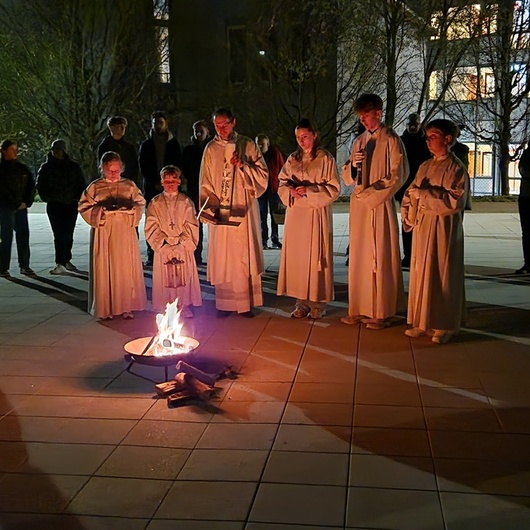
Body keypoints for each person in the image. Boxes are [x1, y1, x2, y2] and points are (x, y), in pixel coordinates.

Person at [341, 94, 409, 330]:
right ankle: (359, 307)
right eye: (360, 117)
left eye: (366, 115)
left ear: (378, 113)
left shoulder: (391, 139)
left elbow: (398, 174)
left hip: (379, 204)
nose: (363, 121)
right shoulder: (359, 140)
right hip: (359, 205)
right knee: (360, 254)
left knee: (379, 254)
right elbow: (348, 177)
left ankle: (382, 310)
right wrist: (353, 165)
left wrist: (373, 193)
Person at [401, 119, 468, 344]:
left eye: (433, 136)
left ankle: (443, 323)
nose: (428, 141)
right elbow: (412, 192)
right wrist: (409, 215)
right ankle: (423, 320)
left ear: (448, 139)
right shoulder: (425, 166)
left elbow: (454, 201)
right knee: (422, 271)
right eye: (427, 137)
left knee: (441, 272)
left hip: (443, 227)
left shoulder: (455, 167)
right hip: (424, 224)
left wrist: (426, 194)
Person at [199, 107, 268, 317]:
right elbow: (205, 182)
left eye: (225, 124)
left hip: (244, 208)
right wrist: (211, 208)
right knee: (225, 256)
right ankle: (225, 303)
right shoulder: (210, 149)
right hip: (221, 210)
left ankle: (245, 303)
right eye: (217, 125)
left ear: (234, 122)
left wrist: (243, 165)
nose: (221, 129)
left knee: (242, 254)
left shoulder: (247, 144)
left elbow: (263, 176)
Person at [277, 119, 340, 319]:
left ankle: (318, 302)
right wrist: (290, 190)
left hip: (315, 213)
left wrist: (311, 190)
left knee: (315, 255)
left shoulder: (325, 159)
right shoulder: (293, 159)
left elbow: (334, 188)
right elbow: (281, 182)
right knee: (299, 257)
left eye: (305, 136)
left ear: (314, 135)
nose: (301, 141)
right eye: (298, 137)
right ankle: (301, 301)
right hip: (296, 214)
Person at [78, 151, 146, 319]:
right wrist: (102, 210)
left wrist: (131, 209)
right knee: (105, 267)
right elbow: (84, 207)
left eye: (117, 170)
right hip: (105, 232)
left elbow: (140, 203)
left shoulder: (129, 185)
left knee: (125, 268)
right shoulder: (95, 187)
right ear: (103, 169)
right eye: (110, 171)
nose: (114, 174)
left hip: (124, 233)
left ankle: (127, 305)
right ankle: (106, 307)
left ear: (121, 168)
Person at [145, 165, 202, 316]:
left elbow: (192, 224)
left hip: (182, 247)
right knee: (165, 278)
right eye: (167, 181)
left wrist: (181, 240)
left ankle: (183, 306)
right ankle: (166, 306)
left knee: (182, 277)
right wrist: (163, 242)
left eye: (173, 180)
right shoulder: (155, 203)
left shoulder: (186, 202)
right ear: (161, 182)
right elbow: (151, 225)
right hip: (164, 248)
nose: (170, 184)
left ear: (179, 181)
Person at [36, 139, 86, 275]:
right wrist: (48, 197)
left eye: (59, 150)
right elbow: (40, 185)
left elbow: (81, 184)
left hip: (70, 204)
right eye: (55, 150)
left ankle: (66, 259)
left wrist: (77, 198)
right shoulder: (46, 167)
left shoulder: (74, 167)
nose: (57, 153)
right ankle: (60, 261)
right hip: (55, 204)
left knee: (68, 233)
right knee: (58, 234)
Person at [139, 111, 182, 266]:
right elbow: (144, 166)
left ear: (166, 124)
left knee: (171, 221)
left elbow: (177, 164)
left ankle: (171, 251)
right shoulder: (146, 144)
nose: (158, 125)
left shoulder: (173, 144)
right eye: (155, 123)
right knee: (153, 222)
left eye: (161, 123)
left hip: (169, 187)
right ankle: (152, 254)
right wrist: (154, 182)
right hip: (152, 187)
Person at [397, 113, 431, 268]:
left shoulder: (425, 142)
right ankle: (409, 254)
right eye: (410, 123)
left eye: (415, 124)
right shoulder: (401, 141)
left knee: (421, 223)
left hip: (422, 185)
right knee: (407, 221)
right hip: (405, 187)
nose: (412, 126)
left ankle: (418, 253)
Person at [0, 140, 36, 277]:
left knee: (23, 236)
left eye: (16, 149)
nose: (15, 152)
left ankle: (25, 265)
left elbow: (30, 187)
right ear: (4, 151)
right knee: (6, 237)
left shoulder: (22, 169)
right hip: (5, 208)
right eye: (12, 149)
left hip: (21, 207)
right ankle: (3, 267)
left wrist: (26, 202)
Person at [181, 120, 210, 265]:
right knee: (195, 223)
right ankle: (196, 255)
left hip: (210, 189)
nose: (198, 134)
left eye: (201, 131)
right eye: (196, 131)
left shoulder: (211, 149)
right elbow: (185, 170)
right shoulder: (188, 151)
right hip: (194, 189)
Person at [255, 133, 286, 250]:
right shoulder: (255, 155)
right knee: (262, 216)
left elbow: (282, 169)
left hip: (273, 188)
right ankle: (263, 239)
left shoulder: (275, 153)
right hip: (261, 189)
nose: (259, 146)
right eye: (258, 144)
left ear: (267, 143)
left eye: (262, 144)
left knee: (275, 215)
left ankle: (275, 238)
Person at [97, 116, 140, 186]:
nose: (123, 129)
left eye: (124, 126)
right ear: (112, 127)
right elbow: (102, 167)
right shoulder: (104, 147)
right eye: (120, 126)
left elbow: (134, 168)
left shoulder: (129, 147)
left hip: (126, 184)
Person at [516, 144, 530, 274]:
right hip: (526, 196)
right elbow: (523, 169)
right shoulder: (527, 153)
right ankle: (528, 263)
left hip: (526, 196)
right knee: (526, 232)